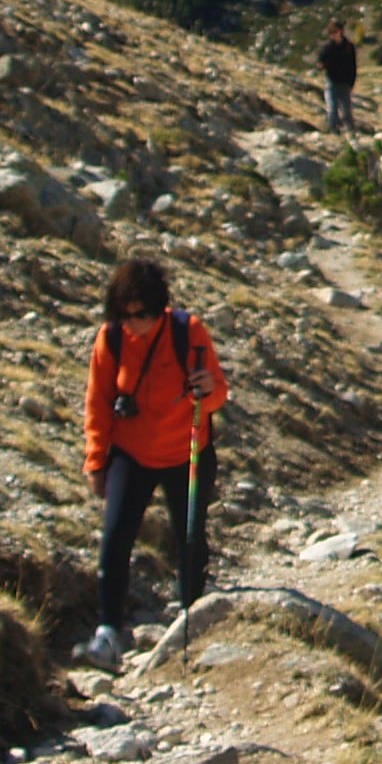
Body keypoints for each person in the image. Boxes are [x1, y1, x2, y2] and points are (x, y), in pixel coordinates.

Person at [79, 256, 230, 667]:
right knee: (115, 539)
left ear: (159, 308)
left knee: (190, 539)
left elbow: (218, 395)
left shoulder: (188, 332)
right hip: (131, 453)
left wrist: (207, 388)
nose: (133, 323)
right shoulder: (110, 340)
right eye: (125, 314)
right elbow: (98, 405)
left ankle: (191, 621)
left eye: (142, 314)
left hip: (188, 452)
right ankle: (108, 632)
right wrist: (96, 462)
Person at [318, 20, 360, 134]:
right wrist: (322, 66)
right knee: (332, 108)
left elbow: (353, 65)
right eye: (333, 32)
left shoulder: (348, 47)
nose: (335, 35)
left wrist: (351, 82)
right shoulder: (327, 47)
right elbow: (320, 62)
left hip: (345, 82)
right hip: (332, 81)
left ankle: (350, 130)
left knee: (347, 110)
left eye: (337, 31)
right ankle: (333, 130)